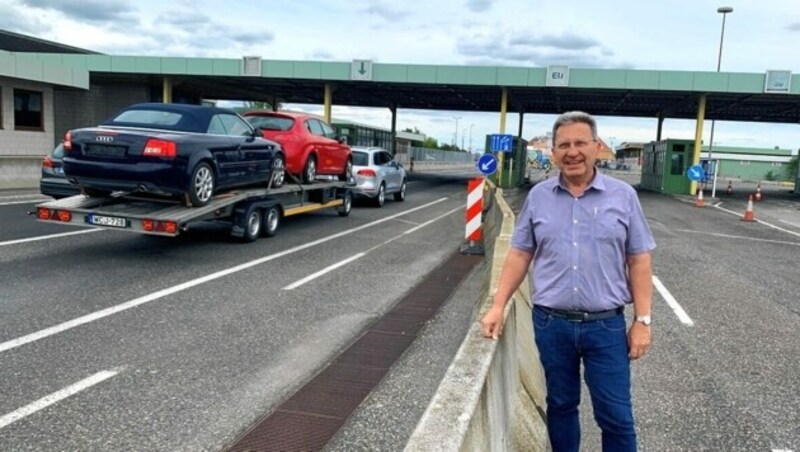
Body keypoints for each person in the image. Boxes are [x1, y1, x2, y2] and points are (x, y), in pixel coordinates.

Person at [481, 111, 655, 452]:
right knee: (560, 406)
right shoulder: (540, 197)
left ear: (596, 147)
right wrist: (498, 305)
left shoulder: (622, 196)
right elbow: (519, 254)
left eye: (580, 143)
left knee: (616, 416)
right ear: (553, 151)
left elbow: (639, 259)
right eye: (563, 145)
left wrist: (643, 321)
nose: (571, 151)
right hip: (551, 324)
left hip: (605, 327)